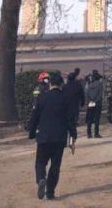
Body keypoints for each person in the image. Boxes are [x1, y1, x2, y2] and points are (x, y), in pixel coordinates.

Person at [27, 71, 77, 201]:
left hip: (43, 136)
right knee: (55, 165)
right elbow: (70, 120)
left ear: (50, 84)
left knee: (40, 162)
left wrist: (31, 132)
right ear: (61, 85)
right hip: (59, 138)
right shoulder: (66, 98)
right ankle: (50, 192)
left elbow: (35, 117)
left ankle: (41, 178)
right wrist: (73, 136)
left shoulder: (42, 97)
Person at [84, 70, 104, 138]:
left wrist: (90, 101)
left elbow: (86, 94)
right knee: (97, 119)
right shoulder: (100, 84)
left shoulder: (89, 85)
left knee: (89, 119)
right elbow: (100, 94)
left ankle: (89, 133)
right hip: (98, 103)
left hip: (90, 103)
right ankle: (96, 133)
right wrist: (95, 101)